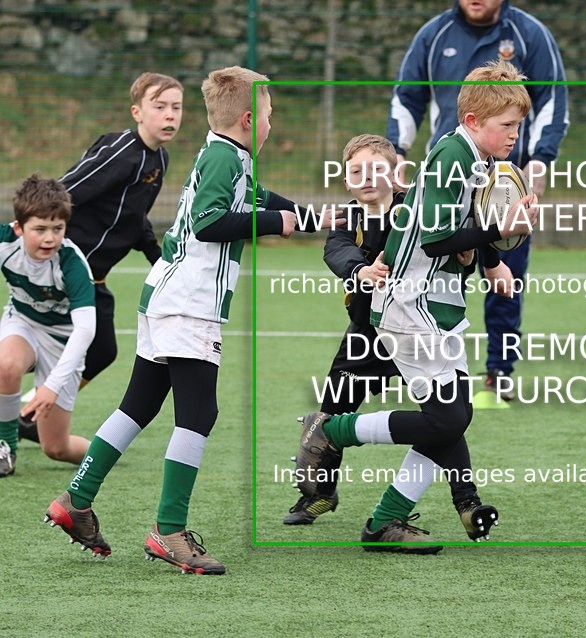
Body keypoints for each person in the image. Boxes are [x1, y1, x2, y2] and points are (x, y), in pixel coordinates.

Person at [44, 66, 337, 573]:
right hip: (189, 305)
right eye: (270, 115)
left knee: (139, 405)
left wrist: (318, 217)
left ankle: (77, 498)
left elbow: (259, 199)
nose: (273, 123)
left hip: (166, 296)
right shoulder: (226, 157)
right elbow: (209, 222)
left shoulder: (227, 154)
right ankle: (170, 530)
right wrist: (276, 223)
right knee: (198, 415)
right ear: (249, 120)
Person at [297, 60, 536, 553]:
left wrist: (490, 259)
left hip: (439, 303)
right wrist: (500, 229)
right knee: (447, 418)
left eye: (518, 125)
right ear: (473, 121)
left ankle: (388, 519)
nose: (515, 134)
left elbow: (447, 223)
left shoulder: (475, 158)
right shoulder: (452, 156)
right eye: (507, 125)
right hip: (410, 305)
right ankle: (333, 430)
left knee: (453, 417)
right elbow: (437, 238)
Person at [284, 134, 497, 542]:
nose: (366, 178)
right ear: (345, 181)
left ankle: (467, 499)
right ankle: (319, 493)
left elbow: (448, 241)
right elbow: (337, 252)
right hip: (367, 336)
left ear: (397, 174)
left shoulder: (413, 210)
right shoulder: (347, 219)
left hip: (415, 327)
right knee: (331, 413)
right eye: (356, 172)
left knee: (444, 416)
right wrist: (360, 271)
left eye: (376, 169)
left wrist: (473, 259)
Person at [387, 0, 568, 399]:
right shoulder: (434, 34)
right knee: (445, 269)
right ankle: (421, 364)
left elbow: (553, 100)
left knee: (504, 271)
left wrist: (540, 160)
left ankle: (499, 369)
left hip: (506, 180)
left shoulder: (529, 34)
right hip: (454, 179)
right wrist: (397, 149)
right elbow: (407, 97)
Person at [18, 73, 184, 443]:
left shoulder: (158, 157)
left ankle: (28, 416)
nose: (169, 115)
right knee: (36, 350)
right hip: (66, 272)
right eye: (159, 106)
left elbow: (135, 217)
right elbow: (65, 190)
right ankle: (17, 398)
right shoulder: (121, 152)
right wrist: (37, 235)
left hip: (96, 276)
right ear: (137, 112)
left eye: (176, 107)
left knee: (102, 350)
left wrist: (159, 258)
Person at [0, 175, 96, 477]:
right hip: (23, 322)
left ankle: (104, 451)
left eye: (58, 228)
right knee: (6, 365)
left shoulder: (72, 263)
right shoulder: (5, 242)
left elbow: (85, 330)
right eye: (39, 229)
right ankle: (5, 448)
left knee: (56, 448)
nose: (49, 238)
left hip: (63, 340)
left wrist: (51, 386)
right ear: (19, 228)